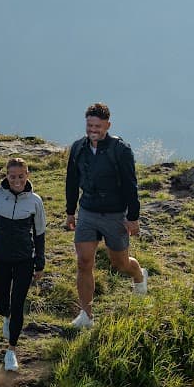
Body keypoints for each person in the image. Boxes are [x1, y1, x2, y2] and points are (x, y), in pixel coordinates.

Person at [64, 102, 146, 328]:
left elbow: (131, 185)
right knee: (84, 262)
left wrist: (133, 217)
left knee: (120, 263)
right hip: (88, 212)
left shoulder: (121, 150)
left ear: (108, 125)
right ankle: (86, 316)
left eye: (98, 126)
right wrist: (71, 212)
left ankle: (139, 275)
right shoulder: (78, 148)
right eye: (90, 125)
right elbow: (72, 181)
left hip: (114, 214)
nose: (93, 130)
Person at [0, 157, 47, 369]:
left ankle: (11, 351)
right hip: (1, 258)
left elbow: (40, 233)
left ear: (27, 175)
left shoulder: (35, 201)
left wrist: (39, 262)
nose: (17, 180)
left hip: (25, 259)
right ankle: (6, 316)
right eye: (12, 176)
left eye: (21, 176)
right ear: (6, 176)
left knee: (18, 303)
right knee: (2, 303)